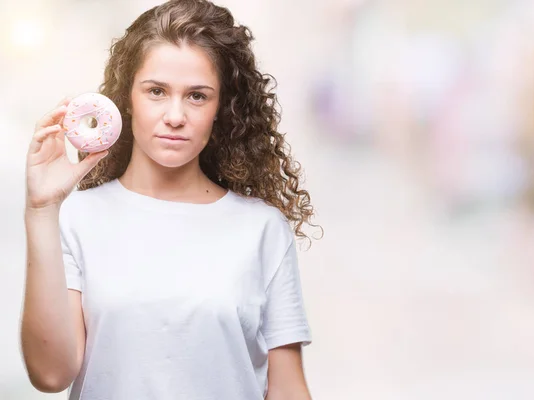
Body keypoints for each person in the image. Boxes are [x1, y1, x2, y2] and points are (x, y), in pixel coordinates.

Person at [20, 1, 321, 399]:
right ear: (127, 98)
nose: (175, 115)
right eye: (156, 91)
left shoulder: (262, 229)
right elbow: (50, 374)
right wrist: (41, 210)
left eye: (197, 96)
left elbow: (287, 390)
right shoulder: (78, 217)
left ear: (221, 109)